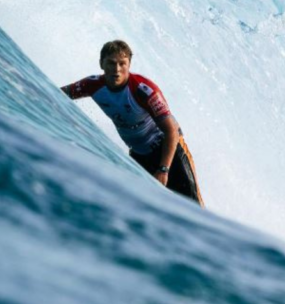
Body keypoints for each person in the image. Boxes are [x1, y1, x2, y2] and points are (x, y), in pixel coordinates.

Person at [61, 40, 203, 206]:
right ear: (101, 64)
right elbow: (59, 92)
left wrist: (164, 169)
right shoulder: (92, 85)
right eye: (111, 63)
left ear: (129, 65)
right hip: (139, 156)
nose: (116, 69)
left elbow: (171, 131)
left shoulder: (143, 90)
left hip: (171, 154)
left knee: (194, 207)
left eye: (122, 64)